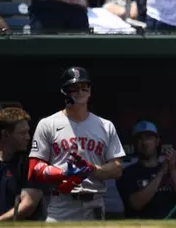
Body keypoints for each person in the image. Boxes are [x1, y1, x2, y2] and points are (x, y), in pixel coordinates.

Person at [28, 66, 125, 221]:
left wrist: (92, 169)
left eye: (84, 87)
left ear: (90, 90)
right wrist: (63, 173)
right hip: (61, 203)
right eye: (74, 88)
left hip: (94, 202)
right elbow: (34, 169)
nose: (80, 92)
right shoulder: (48, 124)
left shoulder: (105, 125)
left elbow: (117, 169)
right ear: (64, 92)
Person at [117, 121, 176, 219]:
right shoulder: (127, 173)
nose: (145, 143)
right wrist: (160, 174)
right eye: (140, 138)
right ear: (134, 143)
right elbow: (136, 204)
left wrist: (172, 171)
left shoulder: (172, 170)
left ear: (157, 142)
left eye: (149, 138)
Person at [0, 107, 45, 221]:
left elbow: (28, 206)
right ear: (6, 134)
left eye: (28, 132)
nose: (28, 137)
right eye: (22, 133)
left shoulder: (32, 162)